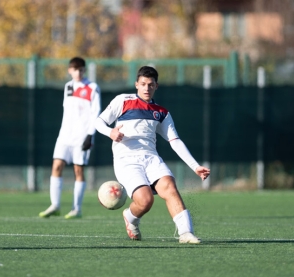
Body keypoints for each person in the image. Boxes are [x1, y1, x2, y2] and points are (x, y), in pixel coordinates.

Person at [94, 66, 210, 244]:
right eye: (143, 84)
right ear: (136, 85)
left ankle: (186, 233)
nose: (146, 88)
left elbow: (175, 141)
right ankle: (130, 217)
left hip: (151, 158)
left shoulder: (162, 113)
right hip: (126, 160)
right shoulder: (123, 101)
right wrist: (110, 132)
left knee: (170, 187)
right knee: (146, 200)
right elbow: (98, 121)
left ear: (157, 86)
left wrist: (195, 166)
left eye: (150, 84)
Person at [39, 57, 101, 219]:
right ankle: (55, 205)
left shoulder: (92, 88)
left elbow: (96, 113)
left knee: (78, 170)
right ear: (70, 70)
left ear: (84, 70)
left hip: (82, 136)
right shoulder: (68, 87)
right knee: (57, 166)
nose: (78, 72)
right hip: (65, 135)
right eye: (75, 69)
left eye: (81, 69)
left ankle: (76, 209)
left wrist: (90, 135)